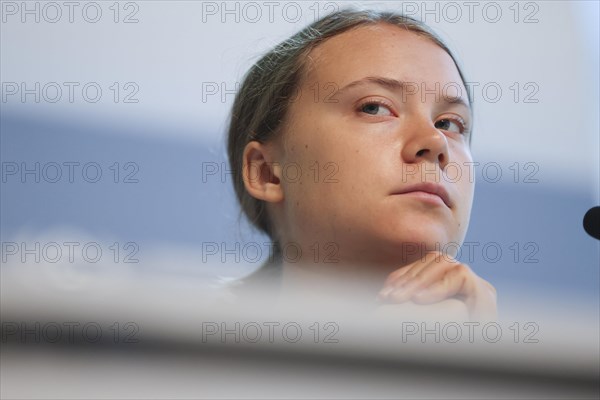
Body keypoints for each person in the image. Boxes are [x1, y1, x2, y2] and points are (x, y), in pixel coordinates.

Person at [226, 9, 496, 320]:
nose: (436, 142)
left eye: (450, 124)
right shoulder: (189, 359)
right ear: (266, 173)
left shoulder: (502, 356)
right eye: (374, 107)